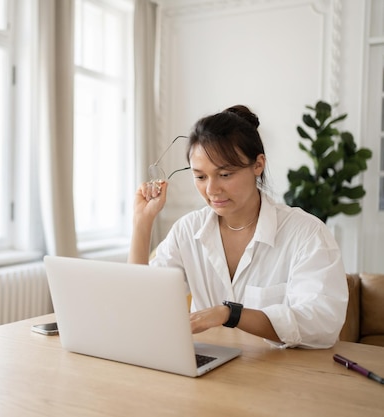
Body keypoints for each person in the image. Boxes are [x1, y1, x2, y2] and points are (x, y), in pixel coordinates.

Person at [128, 105, 348, 349]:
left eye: (225, 174)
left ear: (258, 165)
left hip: (280, 377)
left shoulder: (306, 233)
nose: (212, 190)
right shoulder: (187, 231)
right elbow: (142, 308)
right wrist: (142, 222)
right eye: (200, 177)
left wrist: (230, 314)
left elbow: (322, 325)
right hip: (208, 374)